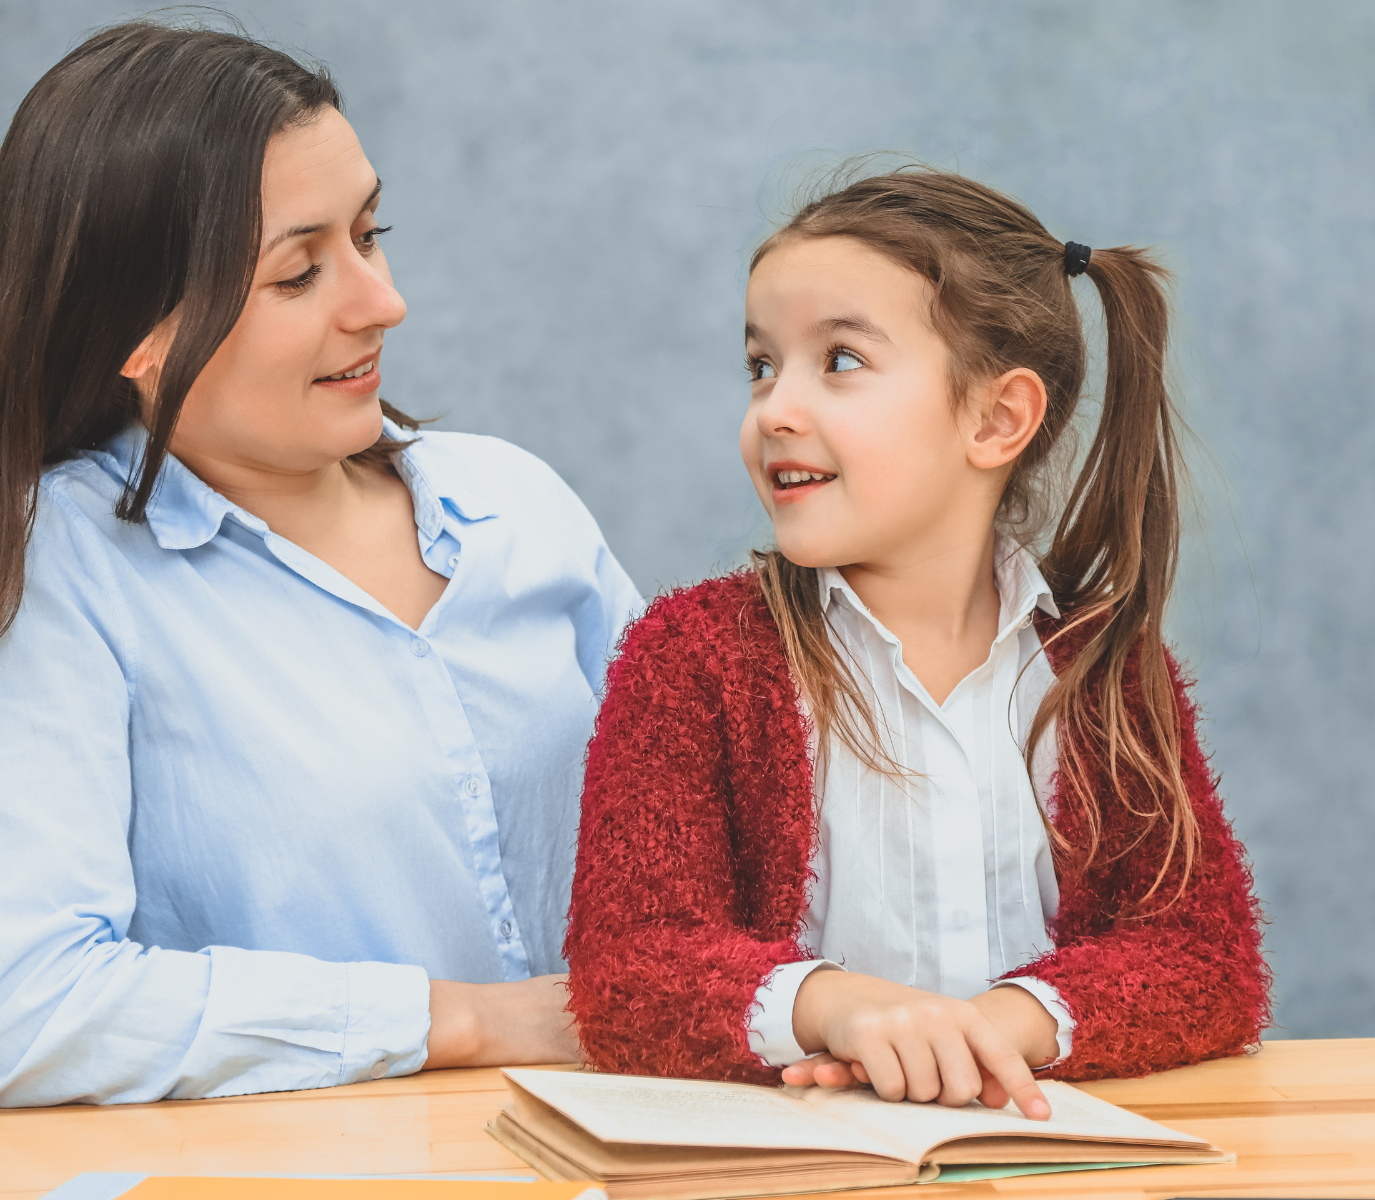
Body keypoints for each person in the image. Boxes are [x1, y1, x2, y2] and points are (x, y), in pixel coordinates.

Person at [0, 22, 639, 1107]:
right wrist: (474, 1020)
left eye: (370, 233)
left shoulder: (517, 503)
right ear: (138, 338)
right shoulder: (58, 573)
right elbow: (29, 1007)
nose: (382, 302)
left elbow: (732, 826)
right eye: (299, 273)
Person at [565, 169, 1271, 1116]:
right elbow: (629, 970)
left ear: (996, 418)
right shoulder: (690, 659)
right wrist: (839, 1008)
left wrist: (998, 1029)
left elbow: (1205, 955)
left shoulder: (1107, 671)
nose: (774, 409)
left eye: (841, 361)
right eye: (761, 365)